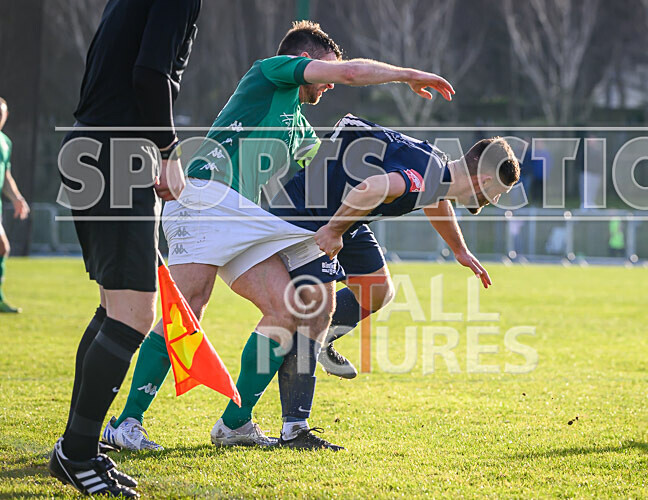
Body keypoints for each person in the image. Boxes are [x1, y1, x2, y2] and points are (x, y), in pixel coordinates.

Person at [101, 20, 456, 452]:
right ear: (304, 62)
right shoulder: (270, 72)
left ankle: (234, 423)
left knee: (289, 307)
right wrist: (408, 74)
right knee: (190, 305)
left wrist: (399, 178)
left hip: (242, 217)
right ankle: (126, 423)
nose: (330, 85)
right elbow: (347, 74)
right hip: (206, 198)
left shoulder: (297, 125)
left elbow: (330, 166)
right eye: (325, 73)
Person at [263, 114, 519, 449]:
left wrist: (459, 250)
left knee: (378, 290)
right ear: (484, 180)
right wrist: (334, 229)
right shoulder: (428, 175)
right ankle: (291, 428)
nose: (494, 201)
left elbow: (434, 198)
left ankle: (322, 341)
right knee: (314, 313)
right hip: (312, 210)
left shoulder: (440, 170)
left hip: (344, 211)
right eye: (496, 193)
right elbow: (373, 188)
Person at [50, 0, 201, 497]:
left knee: (113, 308)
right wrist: (169, 152)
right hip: (116, 153)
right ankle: (77, 452)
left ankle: (79, 447)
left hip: (93, 146)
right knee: (134, 315)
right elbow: (150, 75)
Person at [0, 98, 31, 313]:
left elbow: (6, 175)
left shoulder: (5, 142)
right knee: (3, 247)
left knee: (2, 248)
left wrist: (17, 198)